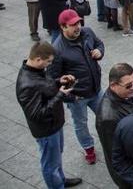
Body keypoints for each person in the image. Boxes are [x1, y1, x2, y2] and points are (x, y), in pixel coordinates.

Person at [15, 42, 82, 189]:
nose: (49, 65)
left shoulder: (36, 71)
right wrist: (60, 95)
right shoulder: (27, 84)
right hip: (46, 131)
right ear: (38, 59)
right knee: (50, 164)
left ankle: (61, 180)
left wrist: (59, 81)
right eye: (48, 61)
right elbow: (37, 114)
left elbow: (46, 86)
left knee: (56, 157)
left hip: (54, 125)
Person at [48, 9, 105, 165]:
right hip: (78, 97)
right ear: (63, 27)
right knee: (81, 123)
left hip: (96, 88)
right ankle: (89, 148)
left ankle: (110, 140)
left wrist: (100, 51)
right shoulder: (57, 49)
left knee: (106, 116)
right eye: (73, 25)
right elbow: (53, 80)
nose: (77, 26)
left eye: (78, 22)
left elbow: (99, 43)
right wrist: (71, 97)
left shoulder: (87, 32)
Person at [96, 63, 133, 189]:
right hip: (132, 177)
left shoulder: (128, 93)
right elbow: (118, 158)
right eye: (128, 85)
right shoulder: (108, 118)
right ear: (113, 86)